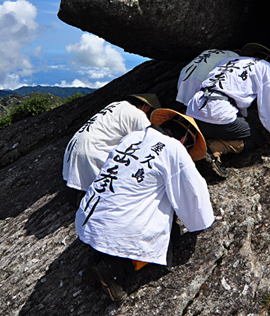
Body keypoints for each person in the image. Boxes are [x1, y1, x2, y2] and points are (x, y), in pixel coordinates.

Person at [76, 108, 214, 301]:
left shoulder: (132, 137)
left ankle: (98, 259)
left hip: (87, 217)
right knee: (168, 237)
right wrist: (201, 222)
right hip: (118, 227)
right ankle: (114, 270)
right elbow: (192, 195)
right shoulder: (173, 148)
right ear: (185, 141)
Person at [185, 43, 270, 178]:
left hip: (193, 110)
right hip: (218, 112)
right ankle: (215, 148)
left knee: (220, 123)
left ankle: (202, 142)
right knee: (256, 138)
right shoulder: (264, 67)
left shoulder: (225, 61)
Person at [63, 94, 161, 193]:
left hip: (73, 148)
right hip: (93, 152)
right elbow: (149, 139)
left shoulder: (115, 105)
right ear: (147, 107)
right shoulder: (138, 115)